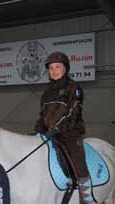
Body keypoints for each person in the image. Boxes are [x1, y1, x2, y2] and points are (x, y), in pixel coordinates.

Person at [35, 51, 97, 204]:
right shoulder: (47, 92)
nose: (54, 70)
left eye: (58, 66)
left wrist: (57, 129)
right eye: (51, 68)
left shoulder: (74, 88)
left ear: (65, 68)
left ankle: (87, 198)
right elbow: (43, 114)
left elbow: (72, 112)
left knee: (78, 161)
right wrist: (39, 127)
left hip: (69, 132)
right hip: (49, 133)